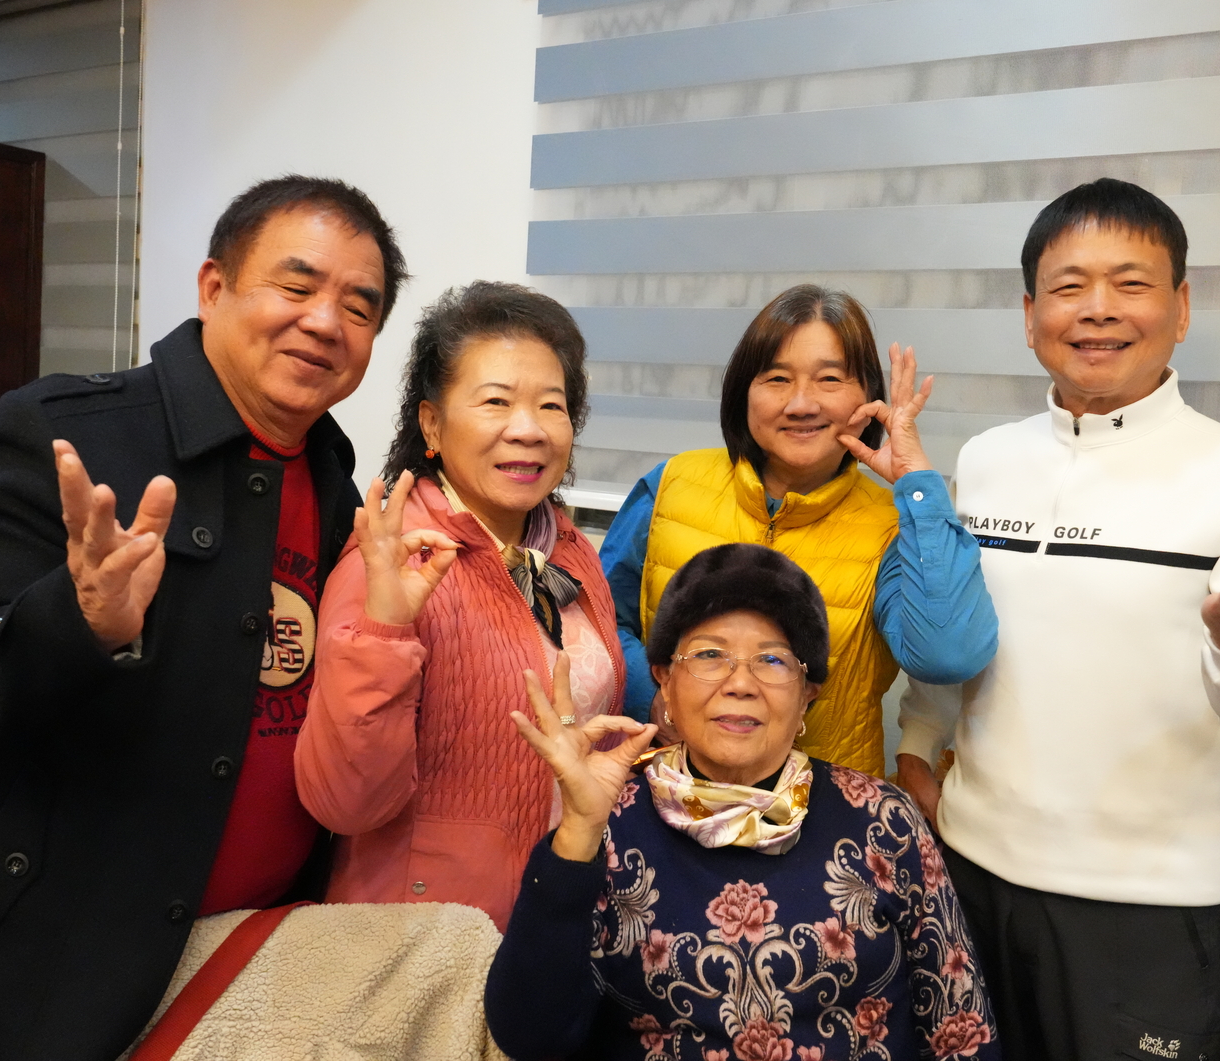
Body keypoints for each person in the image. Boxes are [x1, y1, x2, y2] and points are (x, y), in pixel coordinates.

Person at [0, 175, 408, 1061]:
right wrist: (78, 620)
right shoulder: (65, 433)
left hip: (249, 970)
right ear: (213, 287)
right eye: (297, 285)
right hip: (44, 980)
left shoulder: (339, 489)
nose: (325, 323)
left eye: (359, 306)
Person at [896, 178, 1220, 1061]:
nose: (1098, 309)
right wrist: (917, 749)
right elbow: (959, 634)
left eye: (1131, 283)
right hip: (967, 878)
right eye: (1068, 286)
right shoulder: (990, 458)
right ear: (1030, 314)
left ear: (1181, 308)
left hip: (1142, 914)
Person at [486, 542, 999, 1061]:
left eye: (772, 660)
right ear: (665, 679)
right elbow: (531, 1038)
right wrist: (578, 830)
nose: (740, 684)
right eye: (710, 655)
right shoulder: (606, 822)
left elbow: (961, 1028)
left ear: (808, 693)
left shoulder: (883, 821)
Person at [294, 281, 621, 930]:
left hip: (555, 916)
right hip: (425, 939)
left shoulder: (570, 551)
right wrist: (385, 630)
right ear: (432, 424)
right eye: (496, 401)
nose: (528, 429)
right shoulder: (392, 560)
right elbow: (345, 803)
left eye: (551, 406)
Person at [600, 284, 997, 777]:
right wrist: (656, 695)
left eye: (829, 379)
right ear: (743, 392)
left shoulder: (896, 527)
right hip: (670, 788)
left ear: (868, 397)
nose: (801, 403)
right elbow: (600, 622)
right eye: (777, 378)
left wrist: (917, 482)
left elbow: (947, 656)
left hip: (826, 805)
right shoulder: (670, 485)